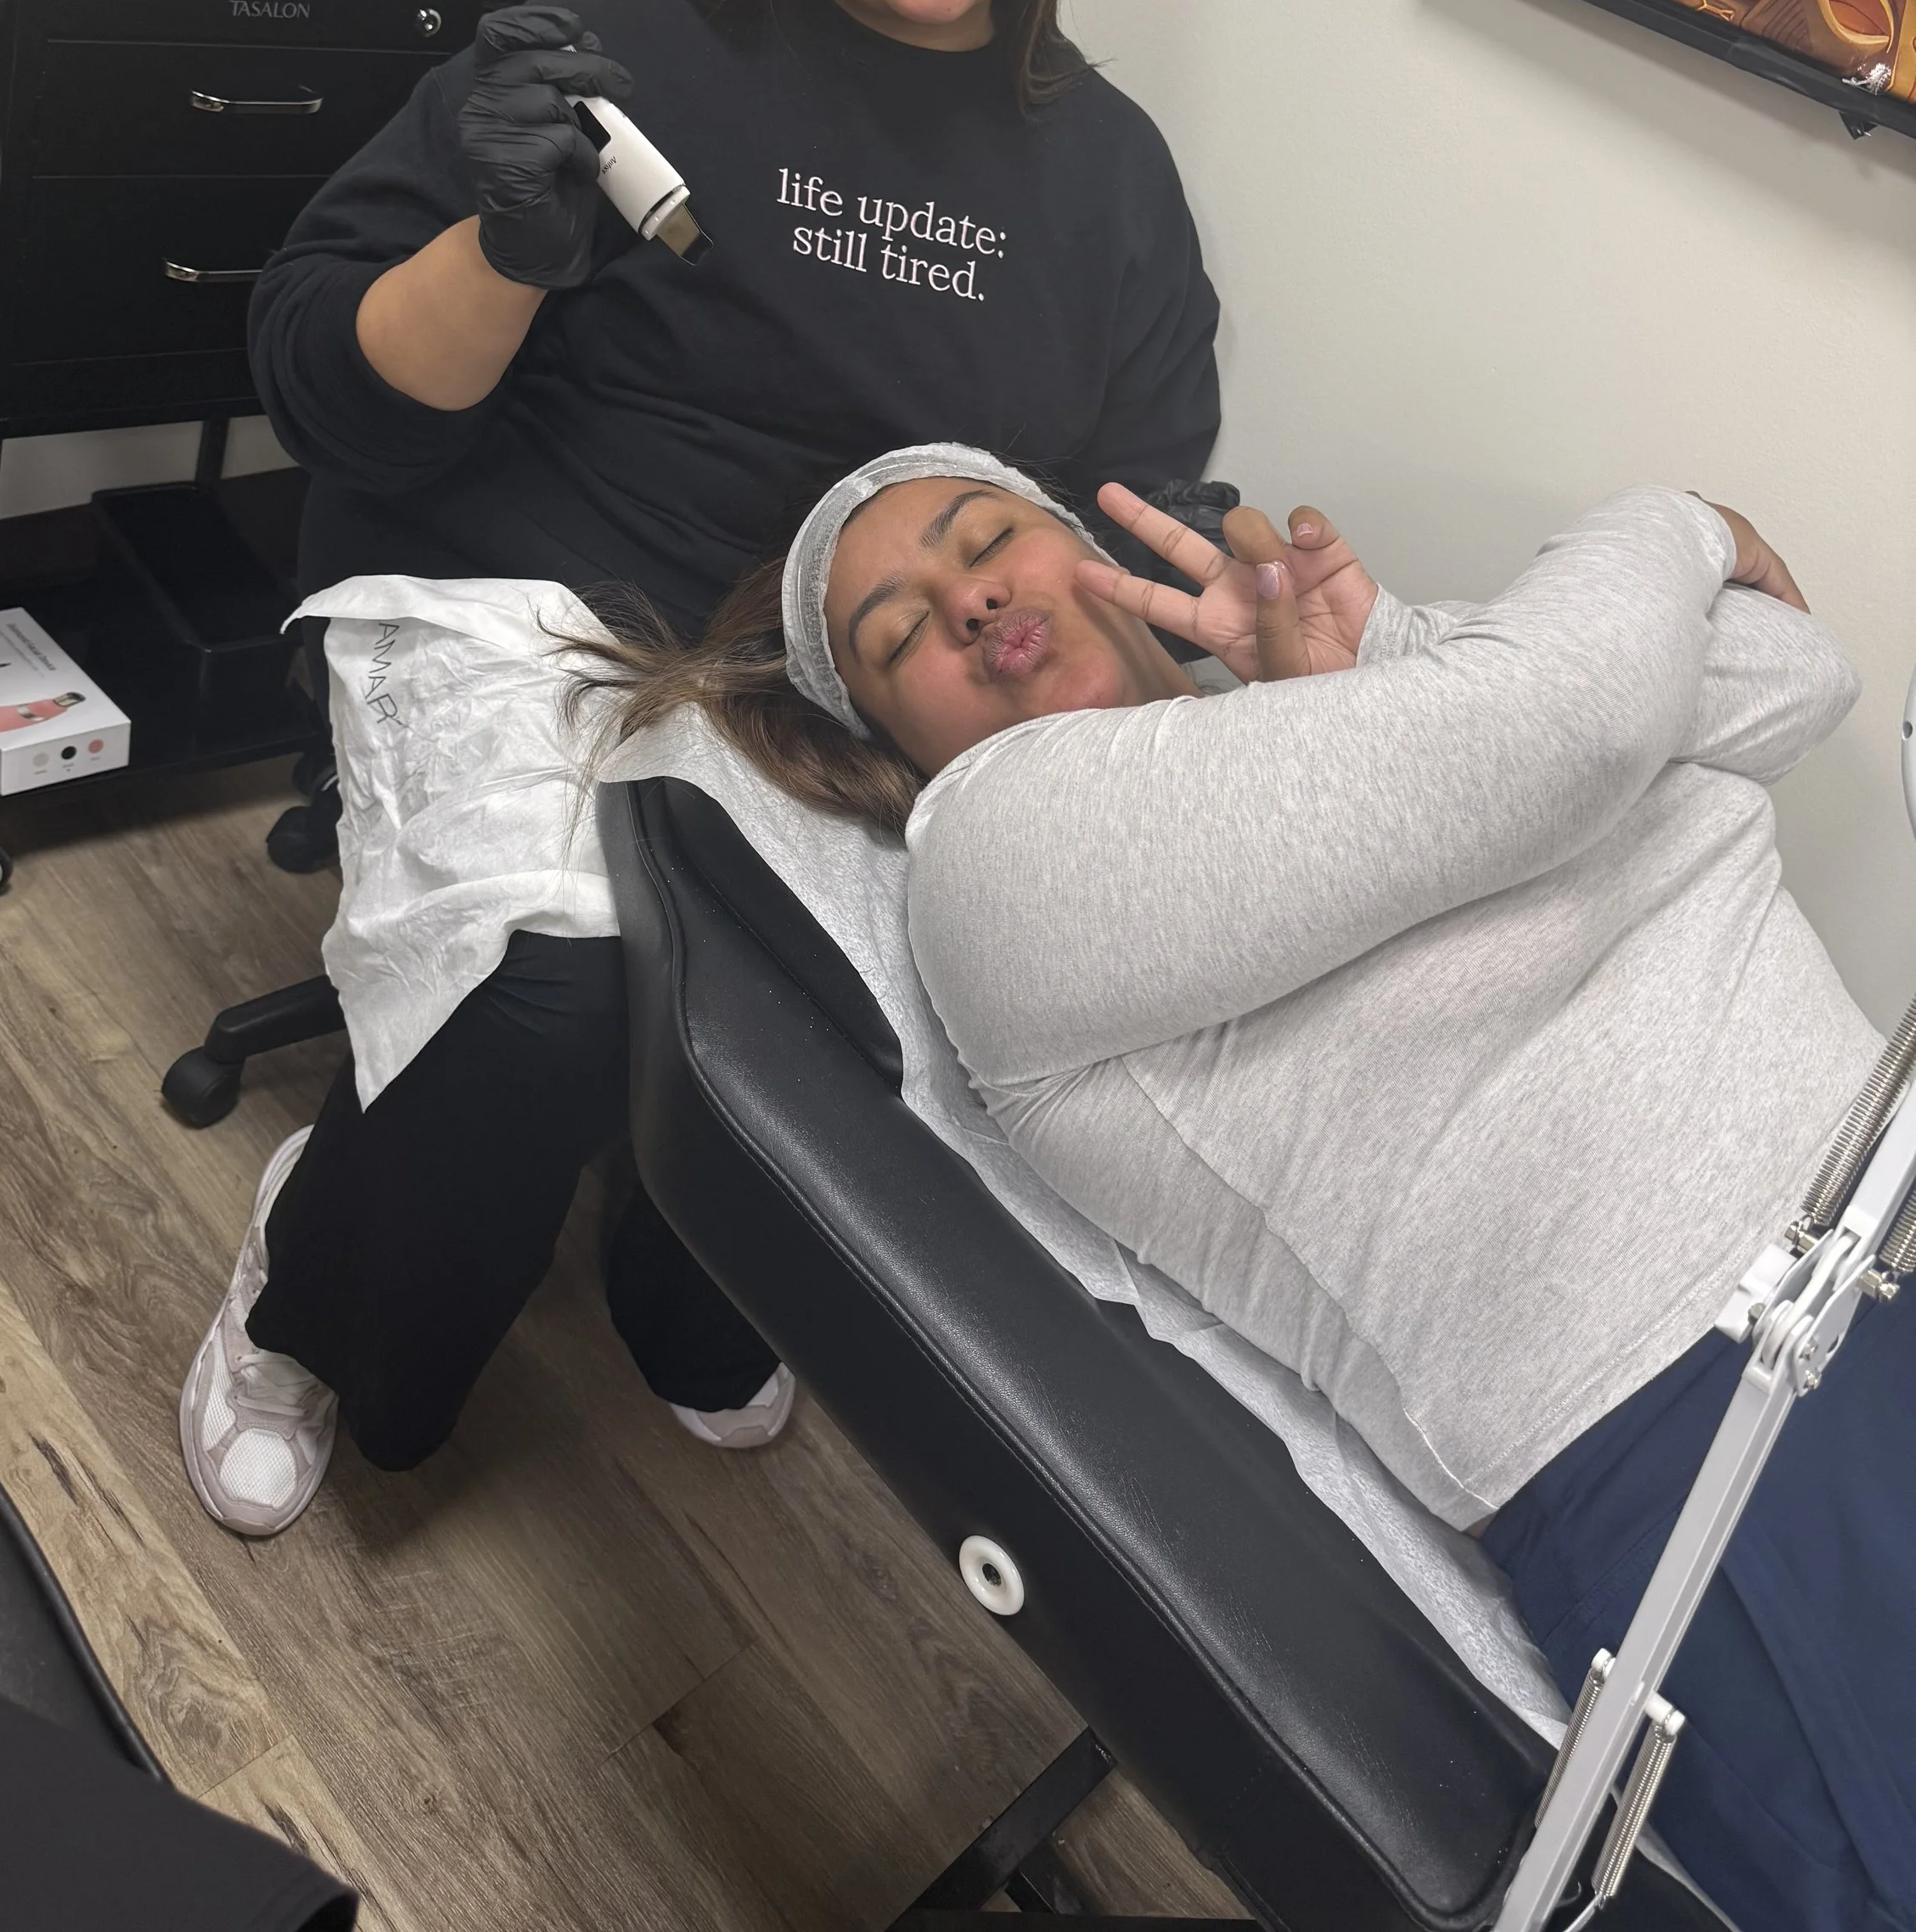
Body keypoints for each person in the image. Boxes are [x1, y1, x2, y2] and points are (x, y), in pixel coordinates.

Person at [179, 0, 1223, 1541]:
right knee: (560, 977)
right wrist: (506, 248)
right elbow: (318, 379)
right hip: (527, 611)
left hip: (840, 691)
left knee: (891, 1007)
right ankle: (323, 1287)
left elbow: (1138, 512)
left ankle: (680, 1268)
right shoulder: (619, 43)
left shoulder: (1104, 179)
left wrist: (1236, 622)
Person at [589, 441, 1908, 1932]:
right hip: (1708, 1405)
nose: (969, 602)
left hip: (1882, 1217)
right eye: (899, 638)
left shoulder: (1340, 726)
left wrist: (1393, 656)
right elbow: (1592, 722)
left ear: (1092, 551)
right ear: (890, 744)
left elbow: (1794, 678)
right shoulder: (1007, 852)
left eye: (987, 540)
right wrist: (1681, 520)